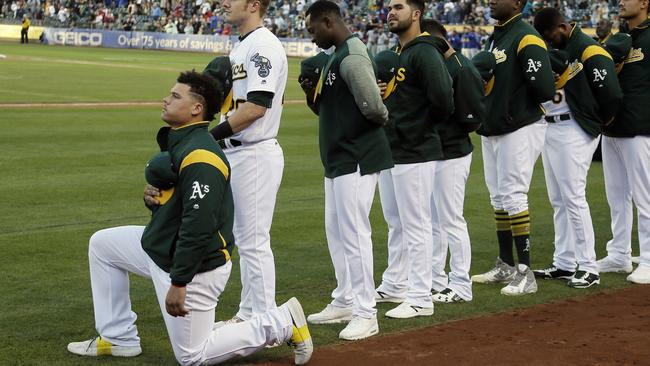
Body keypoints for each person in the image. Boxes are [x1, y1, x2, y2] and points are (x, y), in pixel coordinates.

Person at [67, 71, 312, 365]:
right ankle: (118, 338)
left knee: (192, 356)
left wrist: (179, 282)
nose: (166, 99)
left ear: (197, 108)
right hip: (163, 248)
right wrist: (154, 201)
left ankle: (282, 322)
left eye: (175, 96)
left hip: (197, 267)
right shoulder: (182, 142)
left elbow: (199, 226)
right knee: (103, 246)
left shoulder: (201, 155)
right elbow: (177, 206)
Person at [300, 0, 392, 340]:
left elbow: (373, 106)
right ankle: (346, 298)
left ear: (328, 22)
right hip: (339, 157)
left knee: (354, 234)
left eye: (313, 30)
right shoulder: (337, 55)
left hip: (357, 155)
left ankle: (367, 312)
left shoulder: (351, 55)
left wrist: (379, 116)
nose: (312, 38)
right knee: (337, 231)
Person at [209, 0, 288, 323]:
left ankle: (267, 321)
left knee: (254, 241)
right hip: (237, 151)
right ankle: (248, 314)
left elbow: (257, 106)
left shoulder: (263, 45)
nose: (224, 2)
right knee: (245, 239)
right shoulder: (243, 45)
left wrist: (210, 136)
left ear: (254, 5)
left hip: (254, 152)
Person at [374, 0, 454, 318]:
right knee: (396, 223)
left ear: (416, 14)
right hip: (393, 149)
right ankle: (396, 283)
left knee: (417, 225)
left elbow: (443, 100)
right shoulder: (400, 54)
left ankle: (421, 296)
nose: (391, 12)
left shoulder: (424, 51)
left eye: (399, 6)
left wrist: (416, 127)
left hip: (416, 150)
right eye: (389, 7)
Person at [532, 7, 622, 288]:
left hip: (574, 127)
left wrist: (598, 121)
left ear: (562, 26)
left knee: (572, 197)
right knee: (558, 199)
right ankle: (564, 262)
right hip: (552, 125)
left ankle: (588, 266)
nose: (548, 40)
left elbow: (611, 94)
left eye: (549, 35)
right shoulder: (569, 46)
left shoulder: (587, 48)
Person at [470, 0, 555, 295]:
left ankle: (526, 272)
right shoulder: (498, 34)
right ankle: (506, 264)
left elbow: (545, 88)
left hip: (519, 124)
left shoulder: (526, 35)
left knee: (514, 195)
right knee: (499, 197)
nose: (491, 1)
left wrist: (514, 105)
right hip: (494, 126)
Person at [420, 18, 485, 303]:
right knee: (434, 221)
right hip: (436, 152)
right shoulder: (439, 65)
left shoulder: (462, 68)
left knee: (451, 220)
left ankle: (461, 284)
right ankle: (437, 279)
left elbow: (471, 119)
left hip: (454, 153)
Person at [597, 0, 650, 284]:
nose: (620, 2)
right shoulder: (619, 37)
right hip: (612, 127)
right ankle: (619, 254)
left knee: (646, 197)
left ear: (644, 3)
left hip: (641, 128)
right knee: (616, 197)